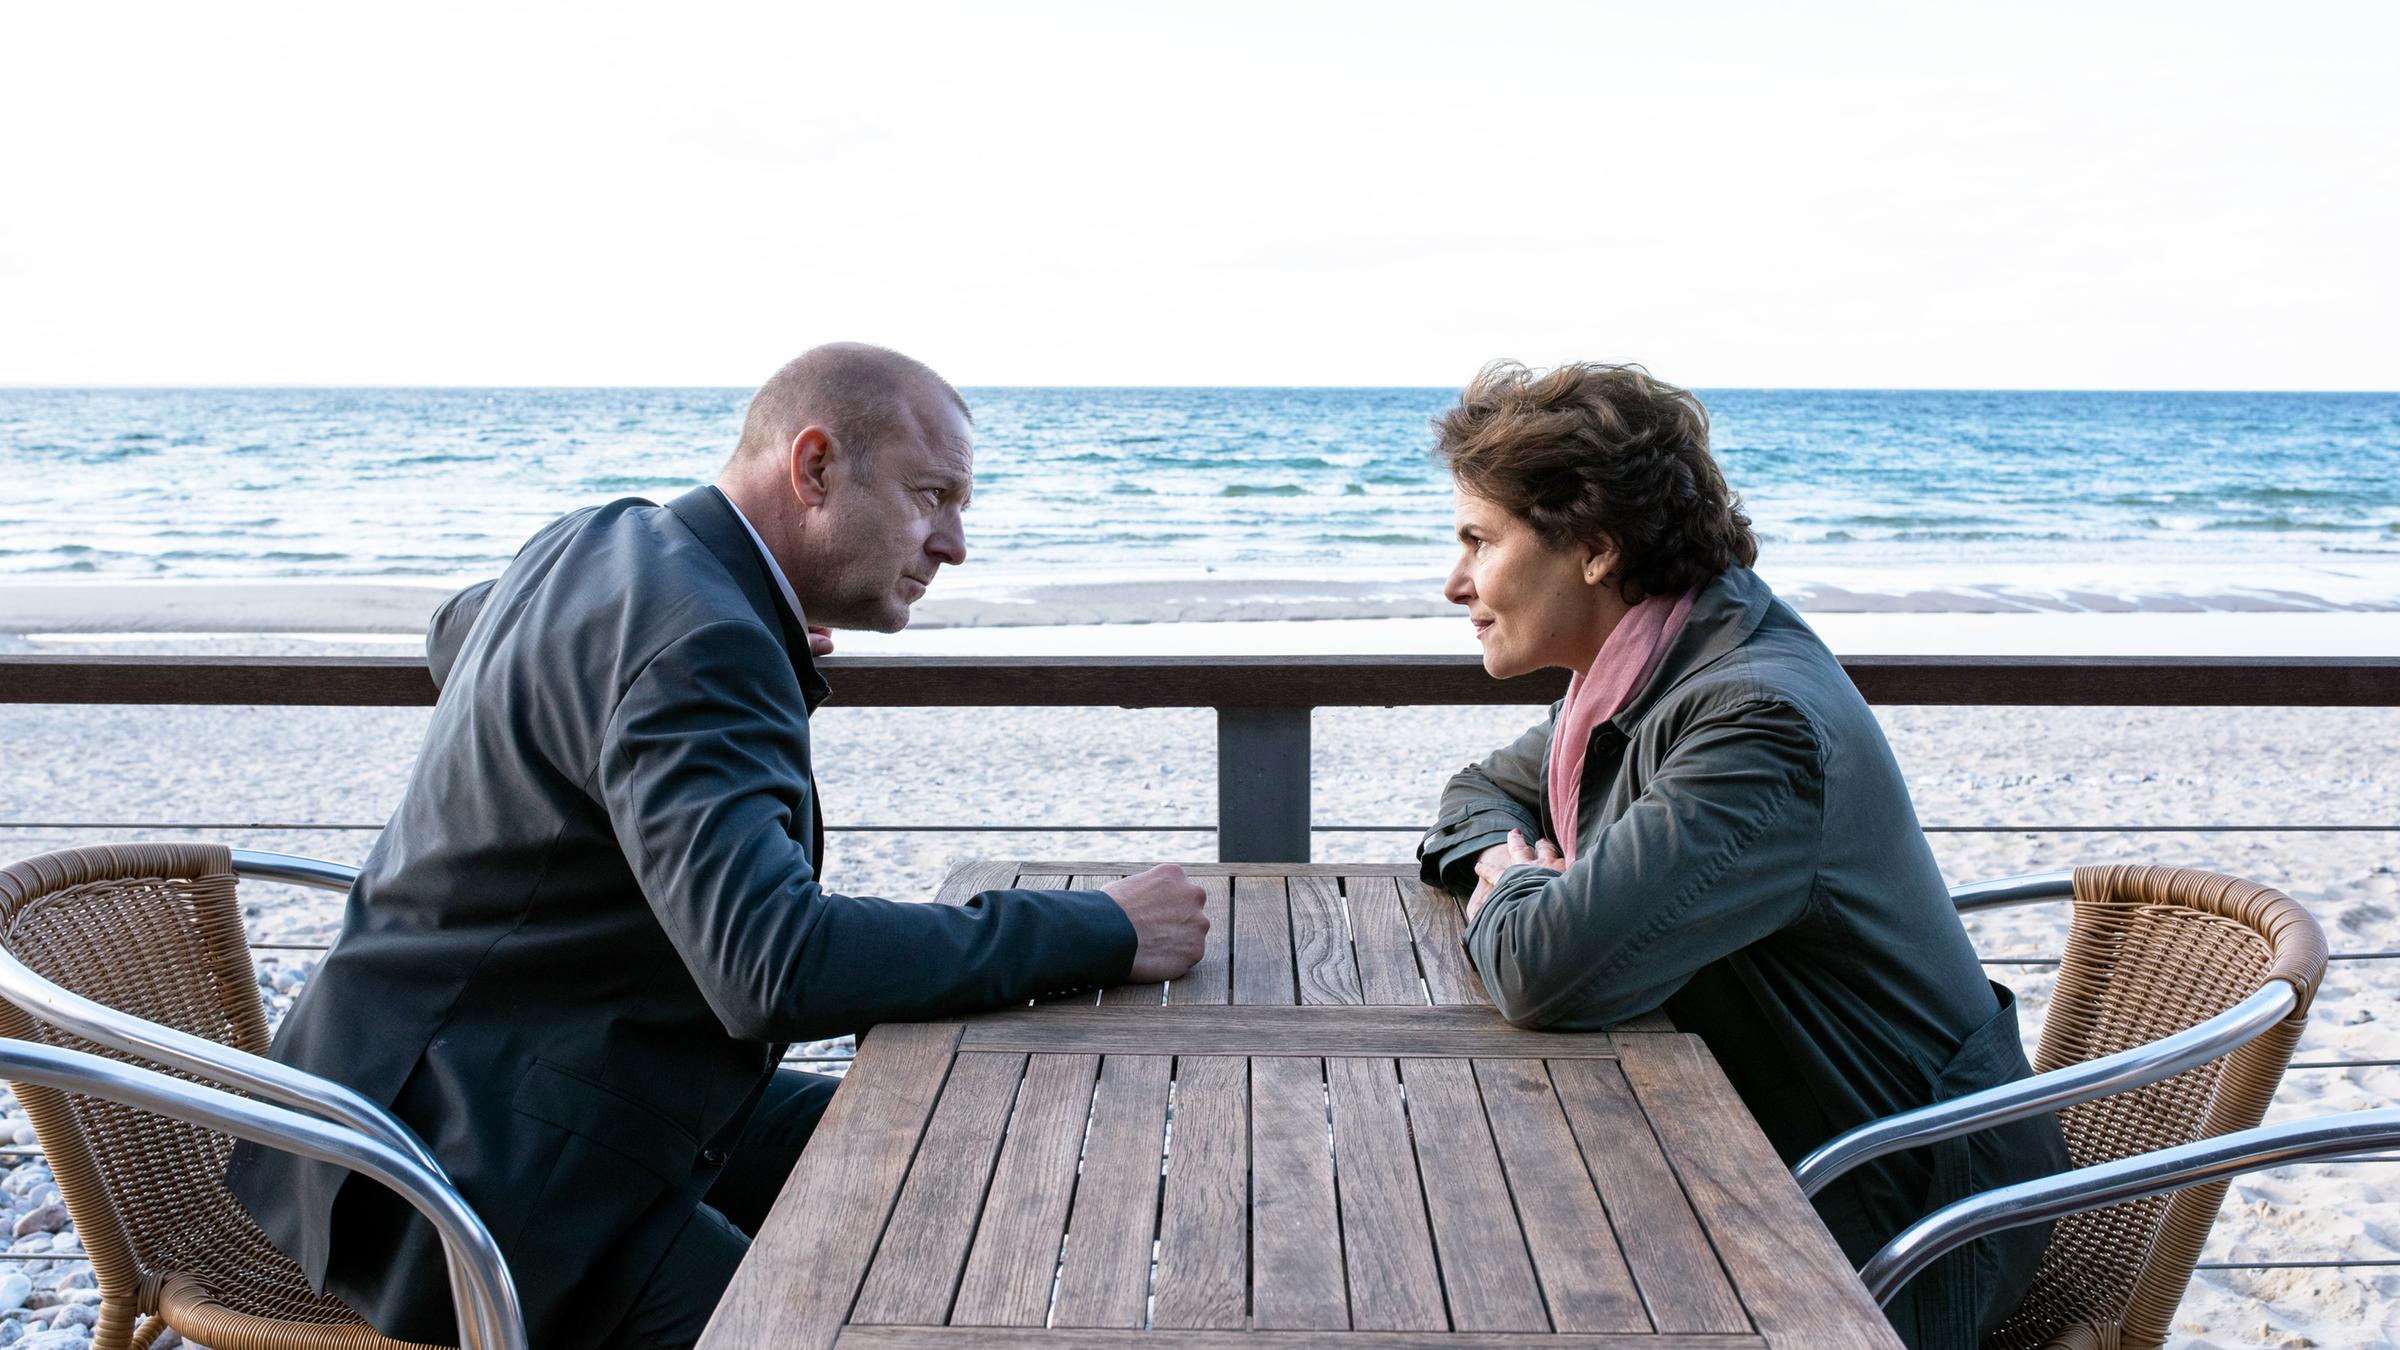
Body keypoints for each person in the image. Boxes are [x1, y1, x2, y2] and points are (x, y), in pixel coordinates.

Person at [228, 343, 1210, 1350]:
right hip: (465, 1188)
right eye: (931, 496)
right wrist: (1103, 928)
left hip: (407, 1106)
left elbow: (455, 629)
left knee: (939, 1151)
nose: (953, 543)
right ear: (816, 467)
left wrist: (733, 628)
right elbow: (775, 968)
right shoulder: (703, 639)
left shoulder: (602, 539)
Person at [1415, 361, 2069, 1349]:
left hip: (1900, 1217)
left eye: (1480, 539)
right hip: (1778, 1151)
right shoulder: (1655, 661)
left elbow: (1548, 973)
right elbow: (1478, 794)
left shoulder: (1751, 721)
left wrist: (1514, 894)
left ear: (1593, 548)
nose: (1455, 580)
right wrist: (1512, 874)